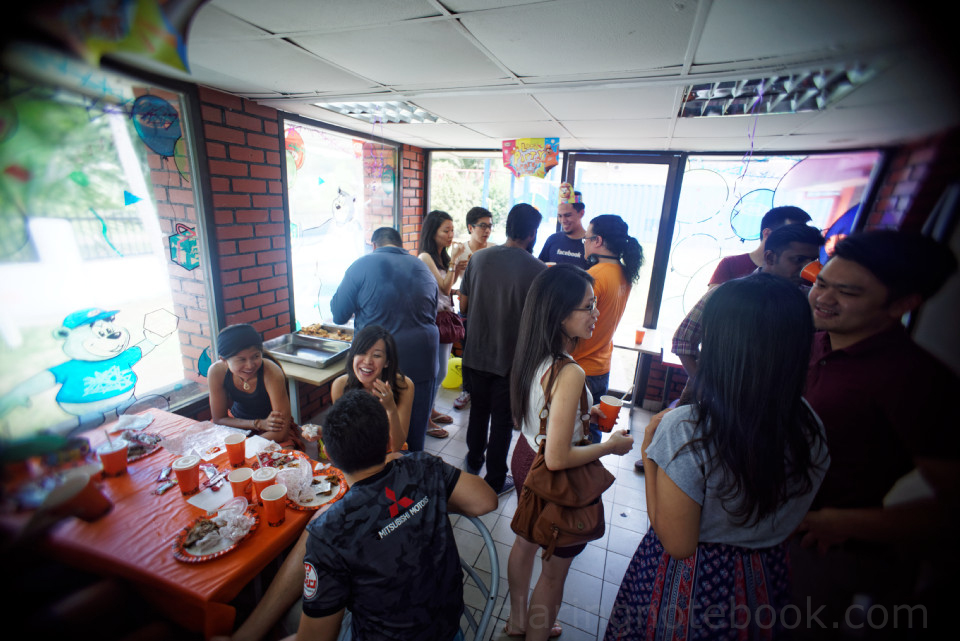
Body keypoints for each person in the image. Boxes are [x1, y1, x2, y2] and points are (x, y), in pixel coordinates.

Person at [605, 274, 830, 640]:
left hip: (693, 583)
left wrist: (649, 452)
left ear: (723, 345)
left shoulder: (688, 428)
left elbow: (677, 544)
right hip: (766, 575)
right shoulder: (809, 424)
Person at [790, 230, 959, 639]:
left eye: (847, 292)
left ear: (902, 304)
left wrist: (843, 522)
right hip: (761, 526)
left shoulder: (916, 380)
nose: (823, 298)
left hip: (817, 551)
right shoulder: (811, 343)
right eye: (821, 283)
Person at [296, 389, 498, 641]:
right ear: (389, 442)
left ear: (330, 455)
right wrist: (428, 499)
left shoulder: (329, 530)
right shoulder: (421, 468)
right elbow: (487, 500)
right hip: (449, 630)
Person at [507, 264, 635, 640]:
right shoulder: (571, 371)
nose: (597, 313)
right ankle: (537, 632)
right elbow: (559, 458)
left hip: (525, 454)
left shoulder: (532, 352)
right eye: (588, 306)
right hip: (553, 474)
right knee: (554, 570)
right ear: (560, 314)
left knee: (526, 541)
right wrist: (609, 446)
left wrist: (582, 414)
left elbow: (539, 409)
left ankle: (518, 620)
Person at [461, 203, 546, 495]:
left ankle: (473, 461)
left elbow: (463, 304)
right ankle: (495, 480)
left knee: (478, 411)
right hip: (510, 361)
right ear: (532, 233)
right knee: (501, 421)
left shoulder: (479, 258)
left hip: (475, 354)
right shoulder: (538, 270)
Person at [330, 226, 439, 452]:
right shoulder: (423, 267)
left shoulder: (360, 266)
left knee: (369, 435)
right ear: (400, 245)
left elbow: (339, 314)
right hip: (424, 360)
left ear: (374, 245)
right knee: (413, 436)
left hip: (376, 366)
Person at [571, 214, 643, 442]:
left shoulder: (594, 276)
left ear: (598, 241)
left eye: (586, 238)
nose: (584, 243)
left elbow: (572, 323)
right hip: (602, 365)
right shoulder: (624, 273)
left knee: (575, 433)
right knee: (592, 428)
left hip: (580, 366)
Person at [418, 210, 467, 438]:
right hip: (431, 321)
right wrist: (455, 261)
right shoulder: (425, 257)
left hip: (443, 318)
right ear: (433, 232)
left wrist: (457, 267)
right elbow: (445, 289)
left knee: (441, 370)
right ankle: (425, 420)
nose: (451, 235)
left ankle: (431, 411)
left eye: (452, 230)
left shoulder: (441, 257)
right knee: (435, 373)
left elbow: (448, 285)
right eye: (446, 230)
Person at [330, 325, 414, 452]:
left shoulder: (404, 386)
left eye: (376, 355)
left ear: (387, 362)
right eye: (362, 352)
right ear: (353, 356)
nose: (367, 361)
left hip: (389, 454)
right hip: (355, 453)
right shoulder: (340, 386)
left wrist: (391, 408)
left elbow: (396, 446)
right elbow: (343, 435)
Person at [207, 324, 295, 445]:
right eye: (241, 359)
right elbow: (219, 419)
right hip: (236, 424)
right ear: (224, 360)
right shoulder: (216, 372)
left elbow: (281, 433)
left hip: (272, 429)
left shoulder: (271, 372)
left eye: (256, 356)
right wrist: (257, 423)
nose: (250, 365)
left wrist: (245, 446)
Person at [452, 206, 495, 411]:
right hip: (467, 310)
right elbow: (448, 284)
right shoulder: (460, 251)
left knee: (490, 352)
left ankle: (488, 391)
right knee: (467, 353)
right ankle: (467, 391)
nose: (487, 230)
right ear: (470, 227)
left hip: (491, 311)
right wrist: (455, 267)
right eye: (482, 226)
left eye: (490, 226)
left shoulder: (495, 250)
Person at [708, 205, 812, 286]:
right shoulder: (730, 264)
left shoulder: (805, 273)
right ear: (767, 234)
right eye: (791, 235)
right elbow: (711, 303)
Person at [537, 190, 590, 269]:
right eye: (560, 216)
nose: (563, 220)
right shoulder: (553, 240)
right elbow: (539, 268)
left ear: (581, 213)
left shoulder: (590, 244)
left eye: (568, 215)